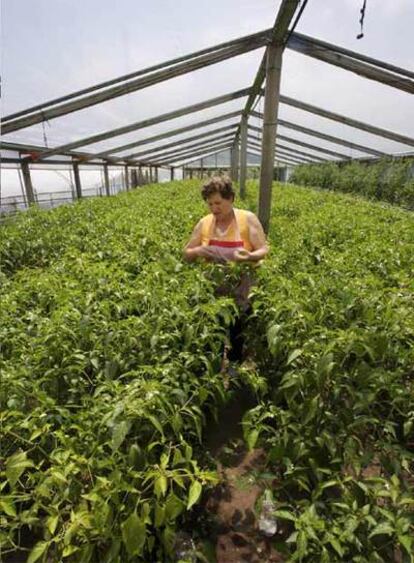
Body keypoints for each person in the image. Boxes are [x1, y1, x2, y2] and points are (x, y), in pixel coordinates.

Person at [183, 175, 269, 363]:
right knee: (213, 336)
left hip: (241, 293)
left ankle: (234, 371)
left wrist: (250, 256)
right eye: (210, 204)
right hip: (212, 296)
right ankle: (214, 371)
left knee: (237, 334)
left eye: (218, 203)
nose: (214, 209)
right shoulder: (205, 223)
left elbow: (263, 249)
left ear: (230, 198)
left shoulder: (247, 220)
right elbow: (186, 254)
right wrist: (198, 250)